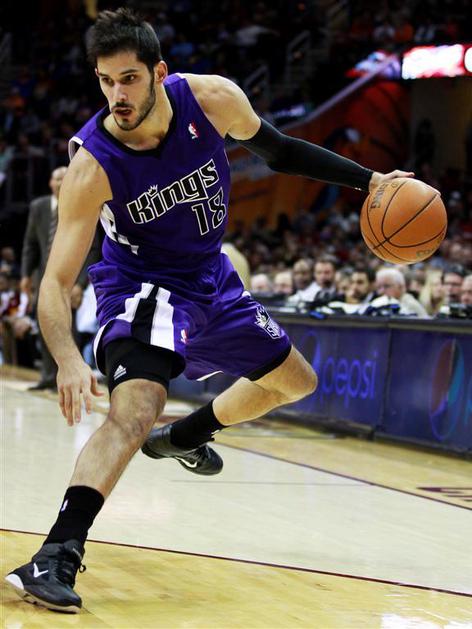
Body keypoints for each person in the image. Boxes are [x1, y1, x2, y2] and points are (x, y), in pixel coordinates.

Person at [5, 8, 413, 613]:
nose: (117, 96)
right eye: (106, 82)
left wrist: (370, 180)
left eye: (129, 79)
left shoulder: (212, 100)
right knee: (134, 409)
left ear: (158, 73)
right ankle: (56, 553)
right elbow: (56, 280)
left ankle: (184, 437)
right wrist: (66, 358)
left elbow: (280, 151)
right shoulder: (93, 165)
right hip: (143, 286)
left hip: (211, 278)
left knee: (297, 381)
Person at [20, 167, 100, 390]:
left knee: (68, 327)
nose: (61, 182)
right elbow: (30, 245)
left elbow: (93, 249)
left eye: (65, 178)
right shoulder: (38, 207)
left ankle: (71, 378)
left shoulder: (82, 203)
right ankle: (48, 376)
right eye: (57, 178)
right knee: (44, 322)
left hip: (71, 278)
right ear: (50, 182)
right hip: (44, 277)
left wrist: (81, 284)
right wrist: (26, 274)